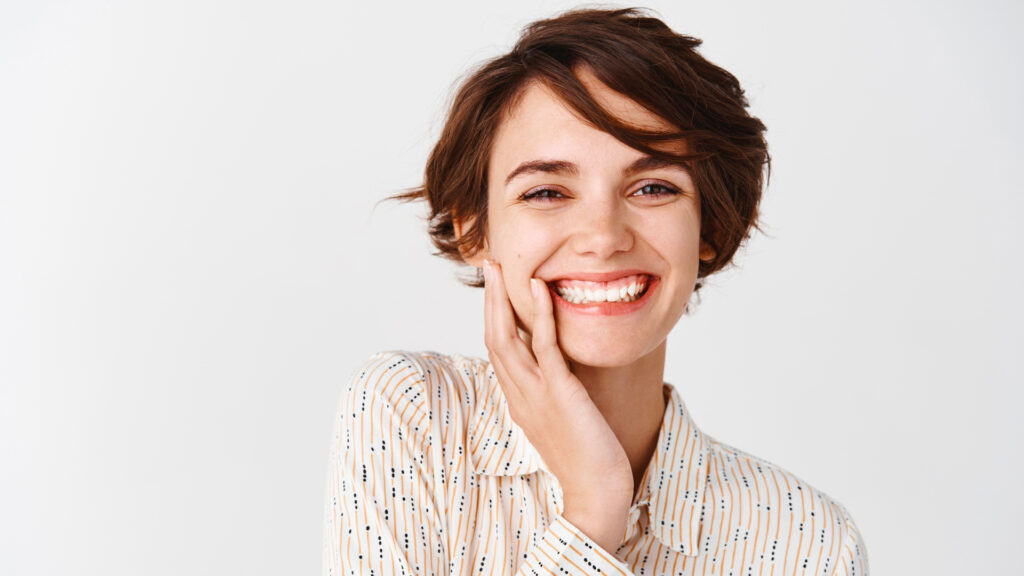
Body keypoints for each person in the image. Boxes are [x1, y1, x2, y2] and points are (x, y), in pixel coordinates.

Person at [323, 7, 868, 576]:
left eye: (653, 187)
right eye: (547, 192)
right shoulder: (410, 413)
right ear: (474, 229)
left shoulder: (810, 542)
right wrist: (591, 513)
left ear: (707, 226)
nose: (604, 238)